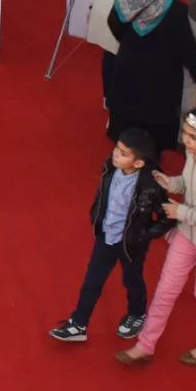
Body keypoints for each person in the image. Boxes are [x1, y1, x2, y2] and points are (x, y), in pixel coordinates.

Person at [115, 108, 196, 367]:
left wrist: (181, 212)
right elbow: (187, 183)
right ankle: (145, 345)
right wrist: (170, 183)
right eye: (185, 134)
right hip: (187, 234)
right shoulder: (193, 154)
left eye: (193, 137)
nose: (186, 141)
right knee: (165, 289)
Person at [48, 128, 171, 344]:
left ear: (138, 163)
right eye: (116, 148)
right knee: (92, 280)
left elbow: (167, 215)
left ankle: (137, 313)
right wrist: (96, 215)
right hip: (106, 235)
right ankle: (79, 323)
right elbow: (103, 194)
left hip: (131, 243)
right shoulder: (110, 168)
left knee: (131, 279)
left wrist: (143, 234)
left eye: (123, 153)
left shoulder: (150, 185)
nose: (115, 154)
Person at [104, 0, 196, 159]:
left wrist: (129, 43)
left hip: (129, 67)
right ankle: (150, 156)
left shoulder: (125, 1)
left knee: (126, 109)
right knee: (155, 117)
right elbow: (185, 44)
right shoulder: (177, 9)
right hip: (161, 76)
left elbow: (114, 24)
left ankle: (124, 151)